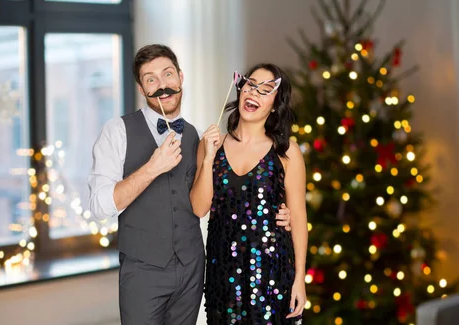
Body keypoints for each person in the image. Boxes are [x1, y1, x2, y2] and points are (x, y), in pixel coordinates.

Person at [88, 45, 292, 325]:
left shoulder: (197, 136)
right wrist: (152, 168)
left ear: (181, 77)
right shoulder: (116, 131)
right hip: (143, 272)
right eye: (151, 79)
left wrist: (280, 212)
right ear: (141, 88)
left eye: (168, 74)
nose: (162, 86)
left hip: (192, 271)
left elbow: (218, 199)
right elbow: (99, 207)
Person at [190, 63, 308, 324]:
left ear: (276, 104)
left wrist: (299, 278)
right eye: (250, 84)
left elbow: (298, 216)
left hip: (272, 275)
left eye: (265, 90)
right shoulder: (212, 145)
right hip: (222, 274)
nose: (253, 92)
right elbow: (199, 209)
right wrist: (208, 159)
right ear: (240, 88)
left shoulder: (287, 152)